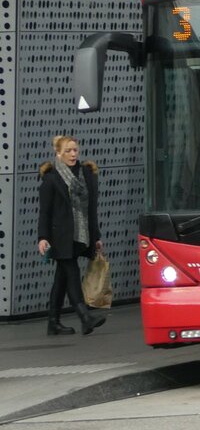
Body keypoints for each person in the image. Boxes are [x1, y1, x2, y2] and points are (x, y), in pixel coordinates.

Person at [37, 136, 107, 336]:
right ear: (58, 153)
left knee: (61, 277)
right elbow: (45, 212)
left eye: (75, 150)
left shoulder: (86, 174)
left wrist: (96, 236)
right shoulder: (51, 178)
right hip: (60, 236)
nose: (73, 154)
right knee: (72, 272)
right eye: (68, 150)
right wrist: (42, 237)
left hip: (81, 234)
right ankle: (85, 316)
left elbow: (91, 209)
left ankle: (53, 323)